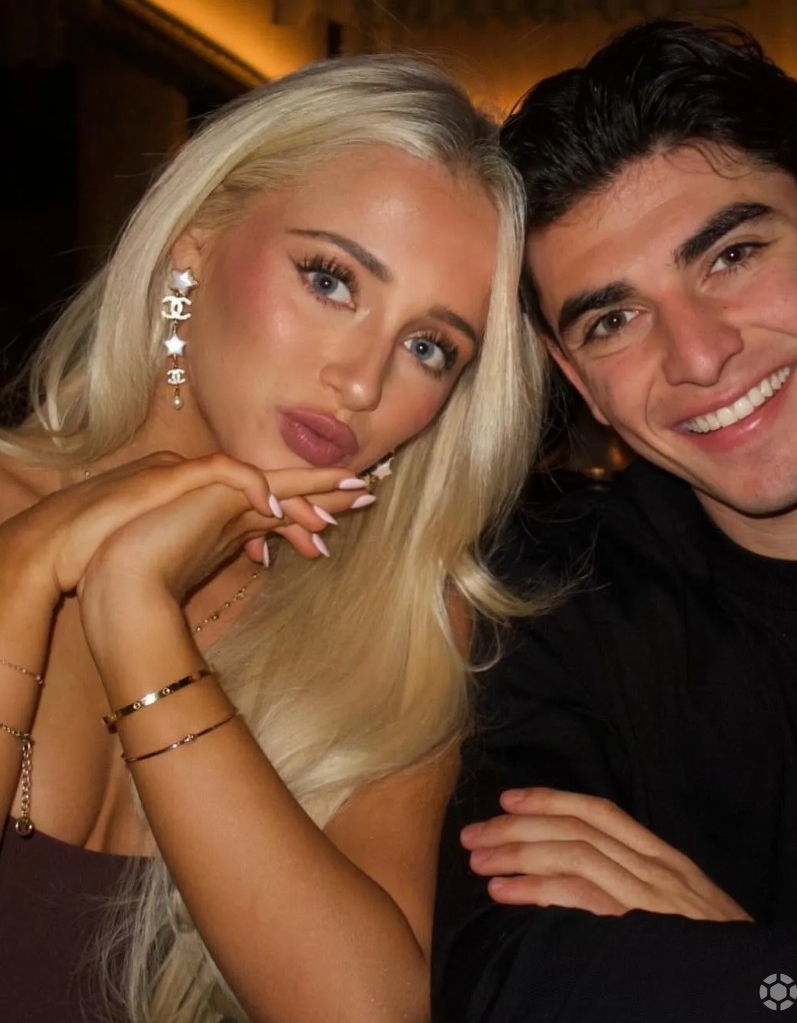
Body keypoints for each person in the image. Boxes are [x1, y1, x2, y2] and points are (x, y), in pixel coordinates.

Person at [0, 53, 545, 1022]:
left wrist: (137, 611)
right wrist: (29, 562)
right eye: (331, 280)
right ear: (196, 244)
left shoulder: (393, 628)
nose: (362, 381)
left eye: (430, 346)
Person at [432, 20, 797, 1021]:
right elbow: (509, 983)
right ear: (575, 375)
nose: (698, 356)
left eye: (731, 255)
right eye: (612, 320)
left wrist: (755, 973)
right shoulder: (552, 610)